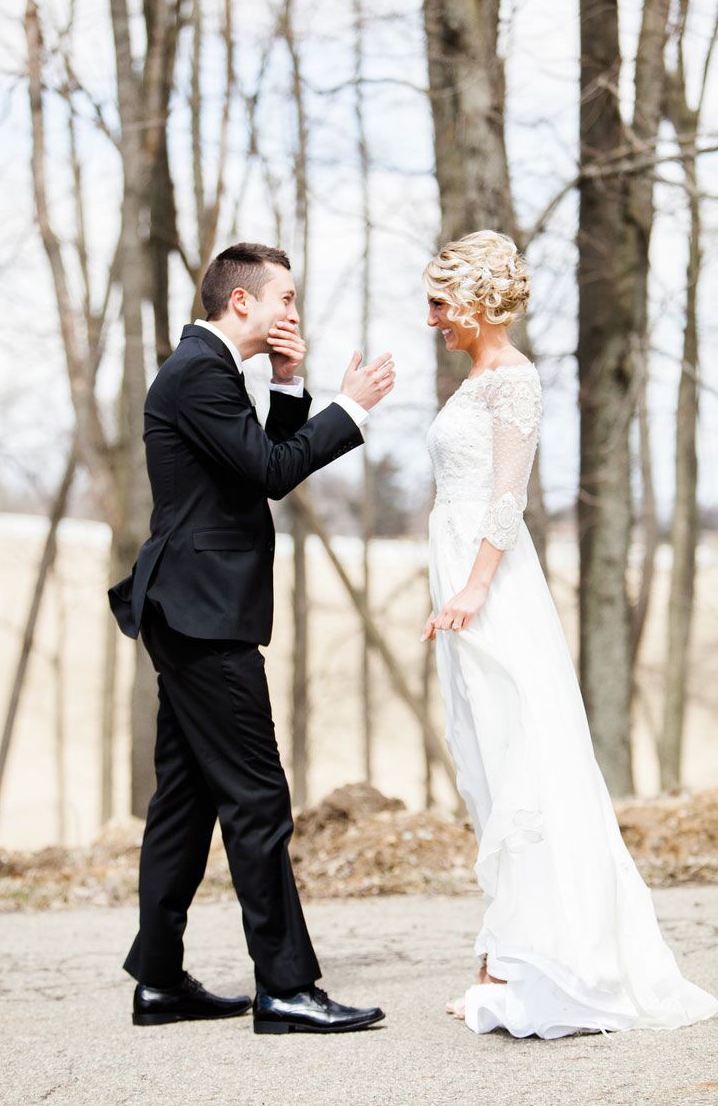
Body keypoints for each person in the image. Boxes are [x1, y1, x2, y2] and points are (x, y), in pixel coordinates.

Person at [421, 229, 718, 1039]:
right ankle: (501, 955)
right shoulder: (473, 379)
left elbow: (506, 499)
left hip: (490, 594)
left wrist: (472, 590)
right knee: (486, 761)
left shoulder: (512, 381)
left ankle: (549, 962)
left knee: (525, 758)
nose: (432, 319)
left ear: (478, 303)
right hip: (457, 587)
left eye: (440, 303)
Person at [109, 242, 394, 1034]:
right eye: (286, 299)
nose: (293, 313)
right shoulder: (198, 371)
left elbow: (251, 467)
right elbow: (270, 472)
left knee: (185, 802)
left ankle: (160, 981)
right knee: (258, 799)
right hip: (201, 616)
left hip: (190, 610)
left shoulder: (205, 370)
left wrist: (291, 388)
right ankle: (285, 987)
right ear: (243, 304)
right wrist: (353, 407)